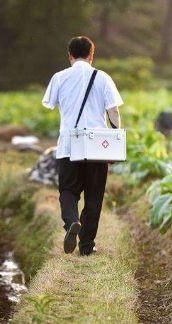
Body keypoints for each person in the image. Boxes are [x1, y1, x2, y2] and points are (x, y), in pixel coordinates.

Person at [42, 36, 123, 256]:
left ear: (69, 55)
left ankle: (71, 223)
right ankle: (87, 246)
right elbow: (113, 110)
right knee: (94, 195)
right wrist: (115, 137)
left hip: (69, 143)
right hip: (97, 145)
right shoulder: (103, 77)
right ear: (91, 55)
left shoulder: (59, 78)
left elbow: (49, 104)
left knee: (68, 190)